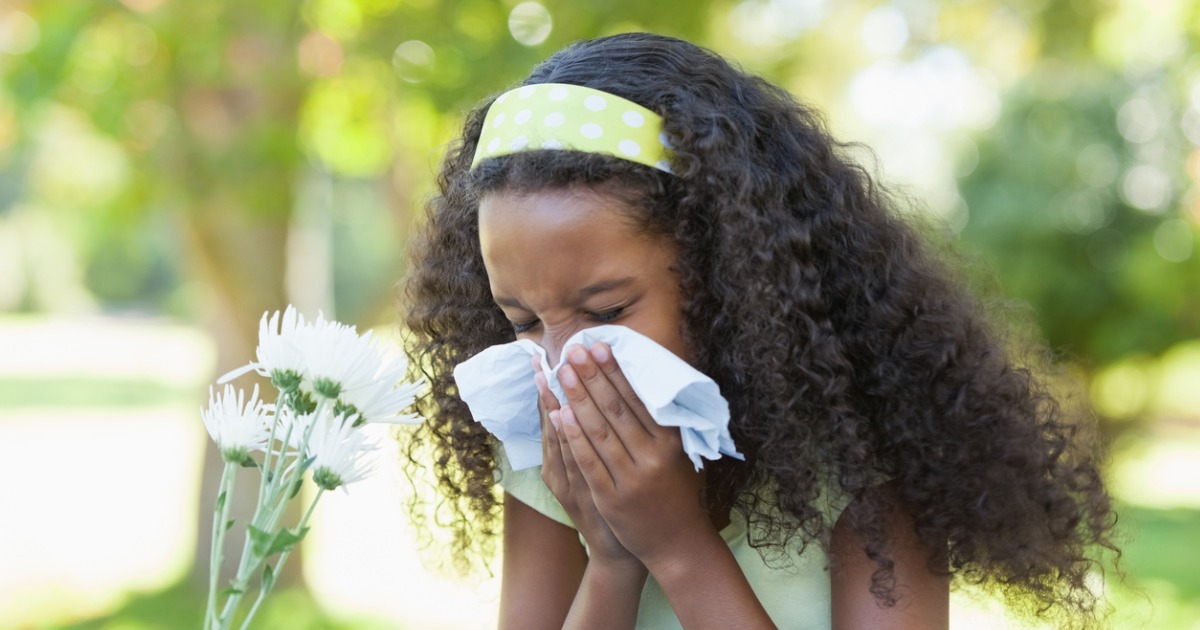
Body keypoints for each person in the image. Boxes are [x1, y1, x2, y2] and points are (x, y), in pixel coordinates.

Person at [400, 32, 1118, 629]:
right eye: (522, 320)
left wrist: (679, 548)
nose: (564, 362)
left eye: (609, 312)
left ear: (730, 273)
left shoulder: (863, 459)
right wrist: (614, 564)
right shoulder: (546, 445)